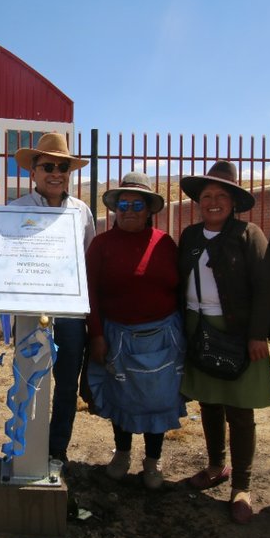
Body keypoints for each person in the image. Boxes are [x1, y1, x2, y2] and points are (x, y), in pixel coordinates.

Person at [177, 161, 270, 524]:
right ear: (198, 202)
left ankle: (242, 486)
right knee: (209, 402)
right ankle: (216, 466)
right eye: (207, 196)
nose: (213, 202)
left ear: (233, 201)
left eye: (221, 195)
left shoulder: (249, 235)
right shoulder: (190, 236)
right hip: (195, 325)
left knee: (238, 408)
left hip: (235, 330)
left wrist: (256, 334)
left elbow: (266, 288)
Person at [86, 172, 185, 490]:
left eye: (137, 204)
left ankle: (152, 463)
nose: (129, 209)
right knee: (122, 398)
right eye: (124, 203)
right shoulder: (101, 245)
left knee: (158, 399)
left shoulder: (165, 244)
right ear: (115, 208)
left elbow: (181, 290)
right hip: (117, 337)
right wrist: (97, 335)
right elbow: (90, 294)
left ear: (149, 209)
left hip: (162, 337)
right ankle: (122, 454)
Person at [8, 132, 95, 465]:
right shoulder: (16, 211)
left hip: (71, 314)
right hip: (31, 312)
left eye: (63, 166)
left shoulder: (82, 212)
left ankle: (57, 448)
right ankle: (27, 448)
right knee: (29, 379)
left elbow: (87, 260)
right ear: (33, 172)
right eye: (48, 166)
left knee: (66, 383)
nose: (56, 173)